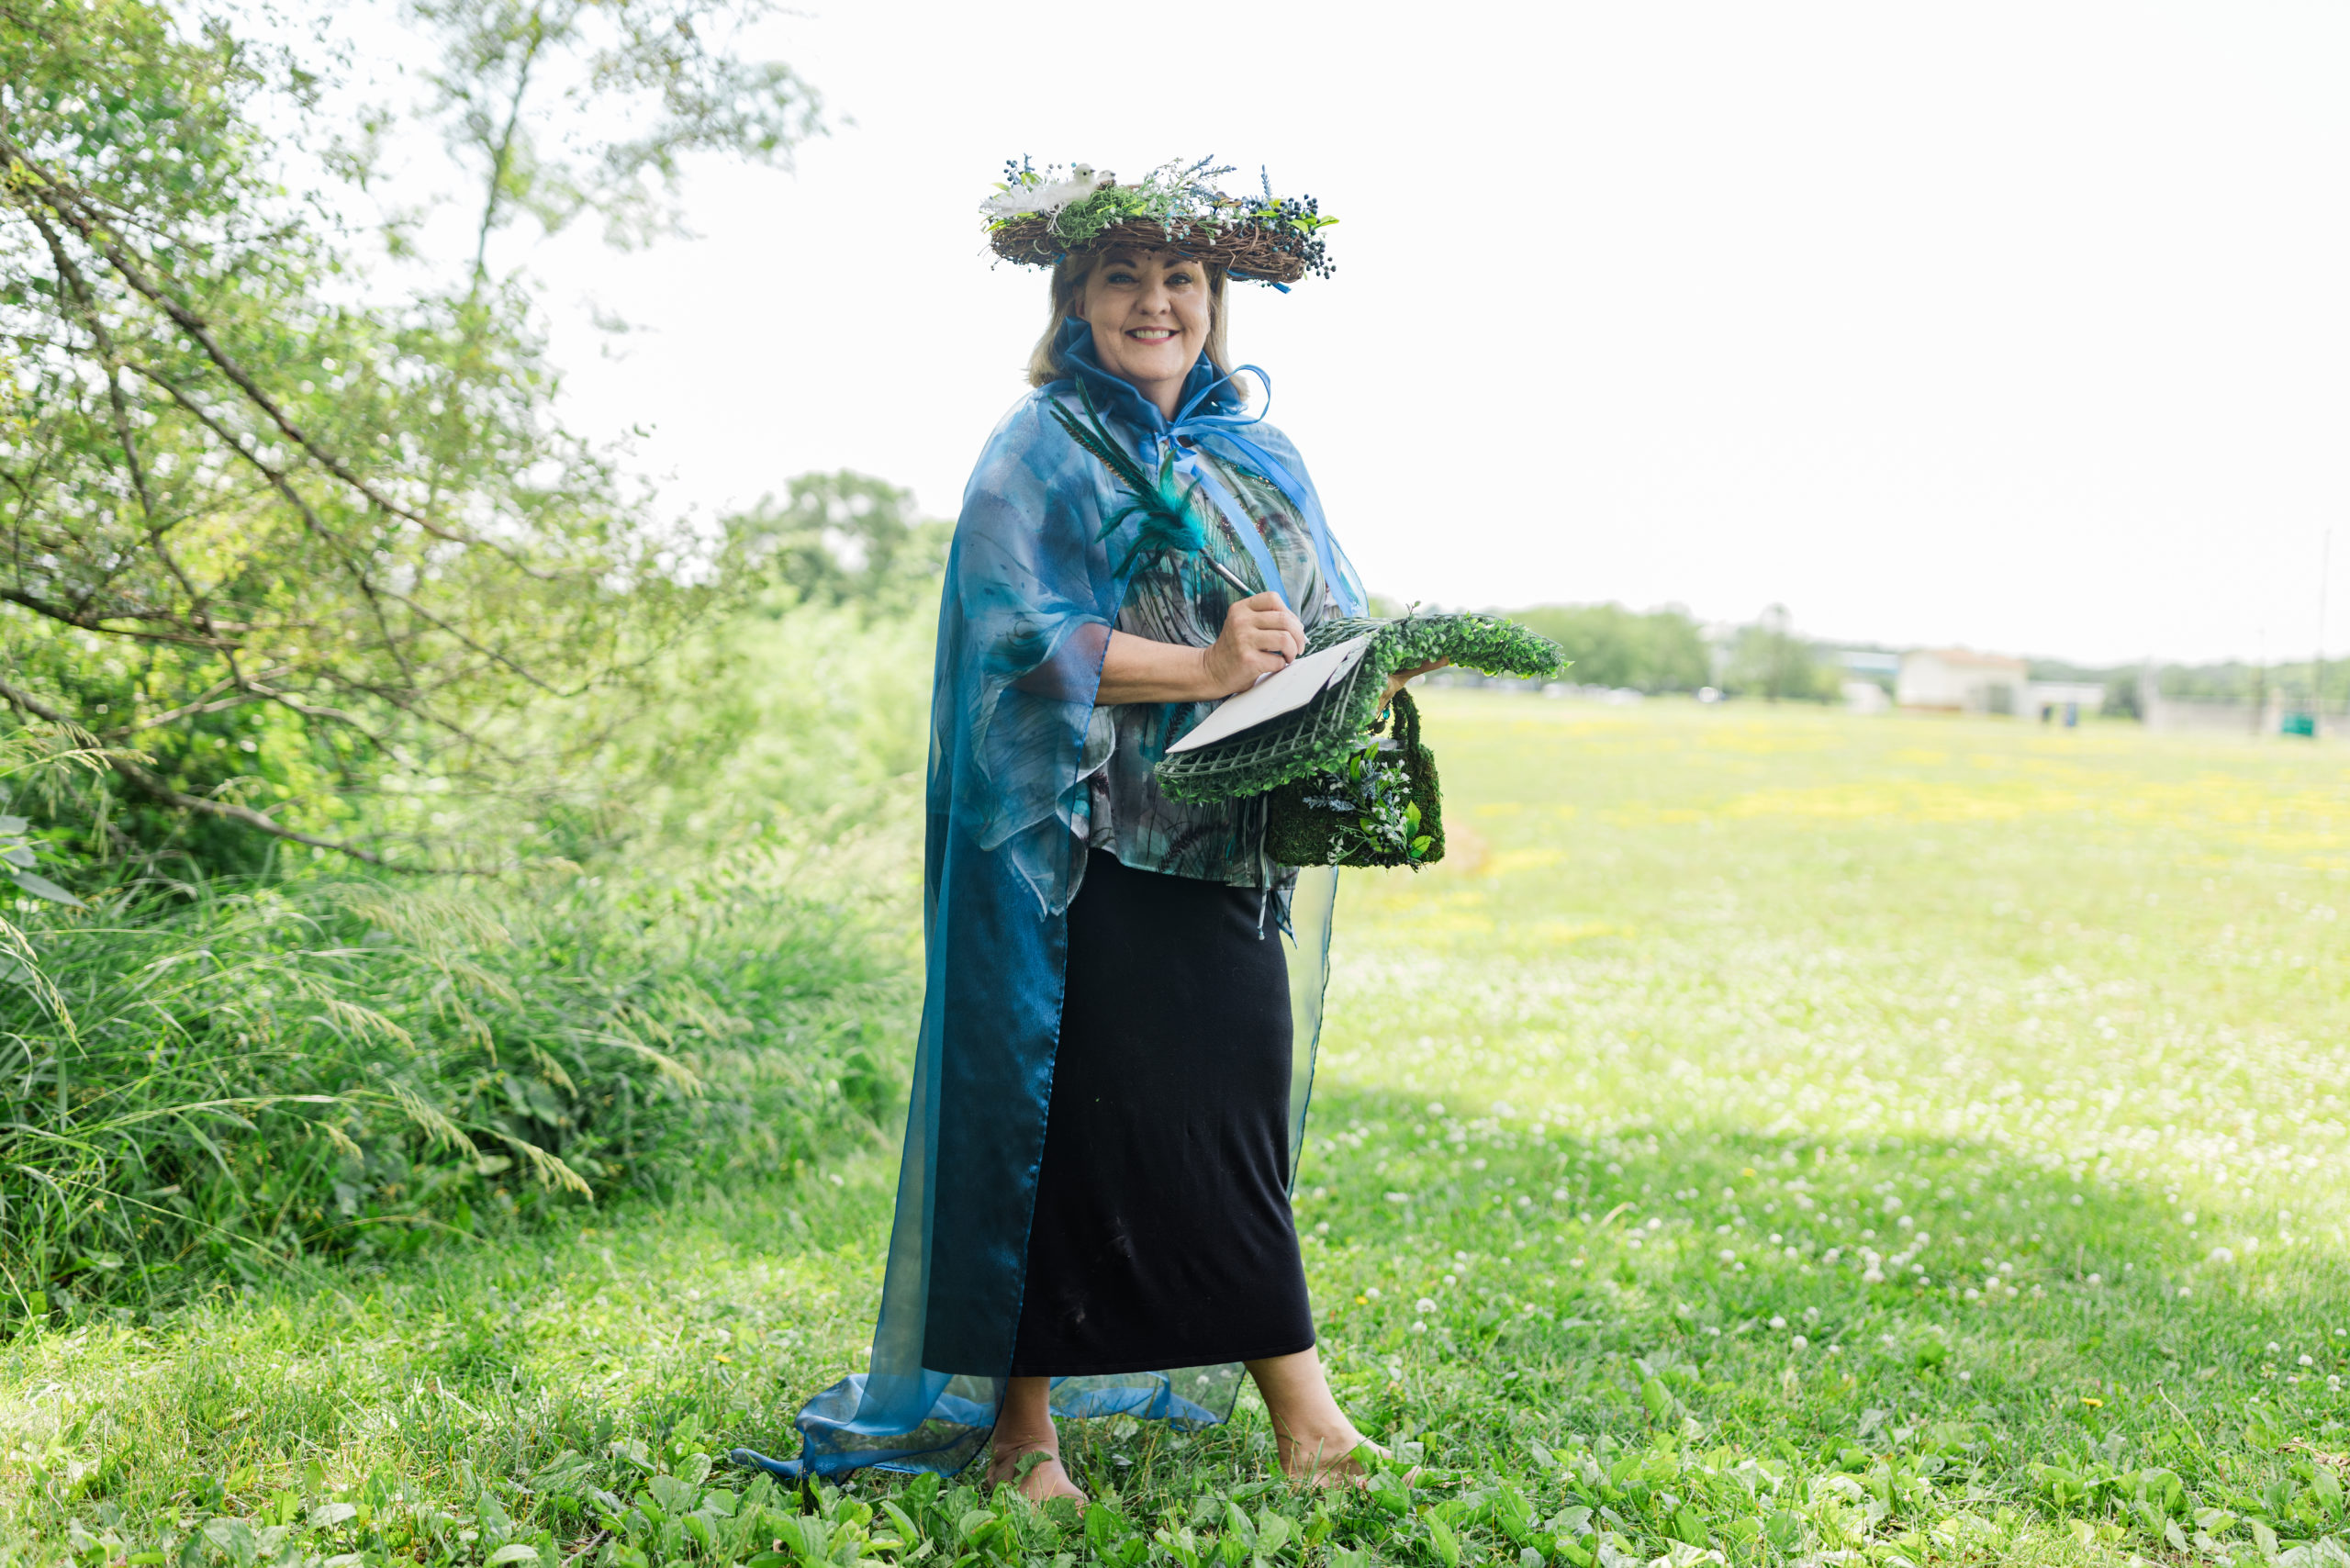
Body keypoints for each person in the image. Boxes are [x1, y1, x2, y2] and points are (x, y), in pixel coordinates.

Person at [736, 166, 1418, 1504]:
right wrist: (1206, 667)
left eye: (1181, 281)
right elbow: (1011, 637)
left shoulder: (1260, 454)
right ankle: (1021, 1436)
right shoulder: (1041, 444)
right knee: (1059, 1124)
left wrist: (1381, 663)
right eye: (1124, 280)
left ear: (1215, 304)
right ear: (1078, 304)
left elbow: (1325, 615)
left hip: (1224, 846)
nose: (1155, 302)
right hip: (1074, 852)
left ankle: (1310, 1423)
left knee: (1230, 1130)